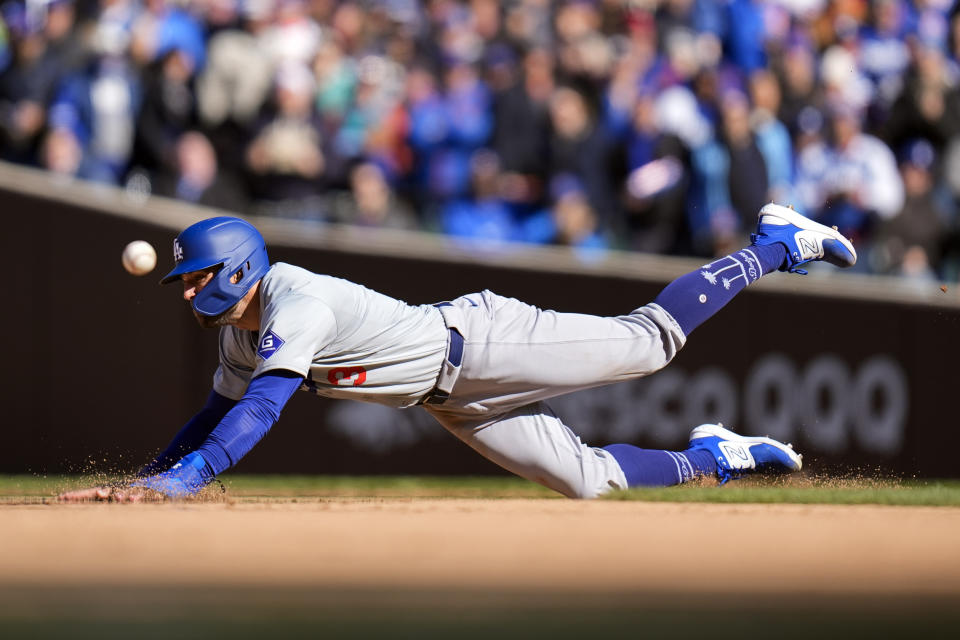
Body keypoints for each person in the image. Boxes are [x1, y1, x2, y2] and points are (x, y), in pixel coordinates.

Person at [59, 203, 857, 502]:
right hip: (450, 397)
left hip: (481, 341)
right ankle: (720, 457)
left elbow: (263, 410)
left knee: (649, 343)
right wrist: (151, 477)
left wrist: (188, 481)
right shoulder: (243, 327)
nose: (184, 289)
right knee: (588, 482)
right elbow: (217, 413)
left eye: (192, 276)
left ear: (230, 270)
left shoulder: (292, 303)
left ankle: (775, 243)